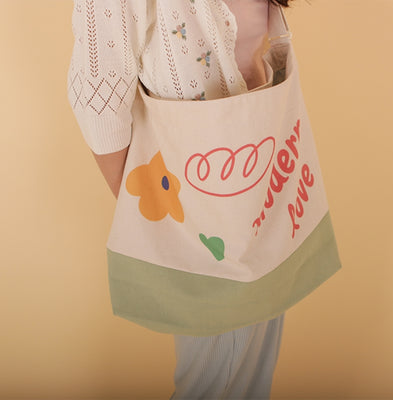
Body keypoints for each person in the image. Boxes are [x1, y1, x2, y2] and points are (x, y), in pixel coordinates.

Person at [67, 0, 341, 398]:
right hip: (205, 214)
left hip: (267, 192)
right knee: (219, 384)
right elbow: (99, 100)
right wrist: (158, 218)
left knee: (249, 382)